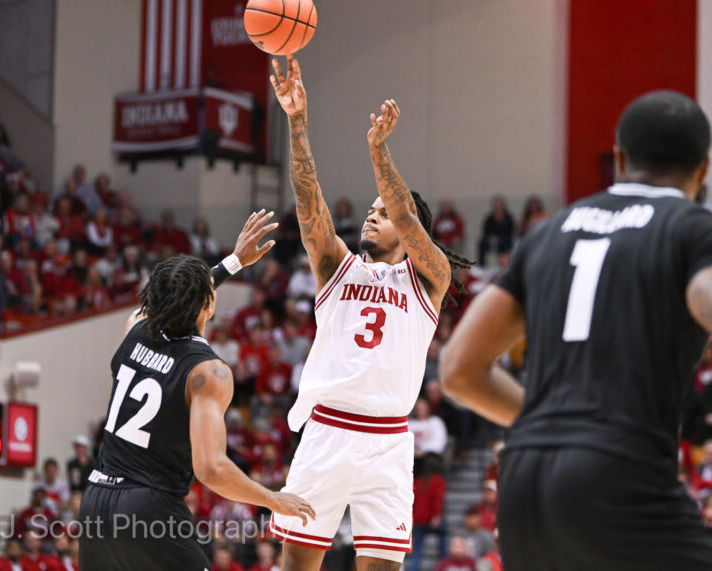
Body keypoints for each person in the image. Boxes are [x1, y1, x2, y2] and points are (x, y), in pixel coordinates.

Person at [440, 90, 712, 570]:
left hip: (522, 488)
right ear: (703, 169)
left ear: (619, 158)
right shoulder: (695, 228)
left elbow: (457, 371)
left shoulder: (546, 232)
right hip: (617, 477)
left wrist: (544, 422)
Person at [267, 55, 471, 570]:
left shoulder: (429, 277)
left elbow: (404, 210)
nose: (371, 216)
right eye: (371, 210)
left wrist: (380, 152)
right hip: (328, 431)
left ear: (409, 234)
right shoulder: (336, 264)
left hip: (387, 442)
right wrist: (296, 121)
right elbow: (307, 199)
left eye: (381, 214)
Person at [79, 212, 313, 569]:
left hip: (95, 502)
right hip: (148, 508)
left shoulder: (134, 328)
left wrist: (232, 262)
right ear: (209, 303)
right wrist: (273, 499)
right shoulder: (207, 371)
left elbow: (164, 304)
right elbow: (211, 469)